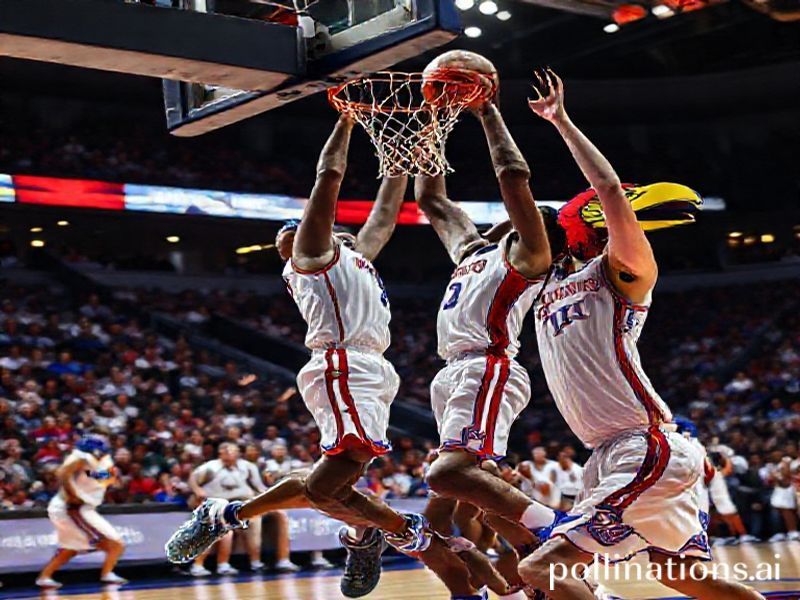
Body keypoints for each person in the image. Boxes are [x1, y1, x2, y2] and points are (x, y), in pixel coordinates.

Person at [166, 115, 474, 599]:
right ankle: (392, 528)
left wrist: (403, 151)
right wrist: (348, 122)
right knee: (331, 480)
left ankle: (348, 531)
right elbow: (327, 177)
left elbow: (386, 213)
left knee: (329, 483)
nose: (298, 232)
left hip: (375, 370)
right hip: (340, 364)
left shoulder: (358, 257)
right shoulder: (312, 257)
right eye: (288, 235)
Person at [517, 68, 762, 600]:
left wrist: (559, 121)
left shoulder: (623, 269)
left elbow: (607, 189)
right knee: (681, 576)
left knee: (543, 571)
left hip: (642, 444)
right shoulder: (542, 279)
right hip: (607, 450)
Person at [414, 87, 570, 545]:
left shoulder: (530, 257)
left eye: (526, 217)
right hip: (453, 372)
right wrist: (433, 121)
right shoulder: (473, 251)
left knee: (444, 475)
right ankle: (526, 579)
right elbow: (432, 200)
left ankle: (559, 529)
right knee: (458, 506)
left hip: (489, 366)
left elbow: (513, 178)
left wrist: (487, 111)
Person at [187, 442, 298, 576]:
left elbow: (259, 488)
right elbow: (192, 478)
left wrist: (272, 499)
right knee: (224, 528)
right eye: (227, 451)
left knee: (279, 514)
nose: (230, 454)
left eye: (233, 451)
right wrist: (197, 490)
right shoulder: (210, 467)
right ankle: (214, 564)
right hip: (219, 503)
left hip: (243, 503)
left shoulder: (248, 467)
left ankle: (279, 560)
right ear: (220, 453)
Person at [36, 435, 127, 589]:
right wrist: (72, 495)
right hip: (72, 508)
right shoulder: (80, 457)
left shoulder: (103, 461)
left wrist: (110, 477)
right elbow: (62, 474)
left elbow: (105, 479)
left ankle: (45, 577)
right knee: (116, 543)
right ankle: (106, 574)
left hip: (82, 507)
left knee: (71, 548)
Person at [552, 447, 583, 512]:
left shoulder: (577, 469)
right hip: (561, 497)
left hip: (574, 498)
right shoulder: (556, 468)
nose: (560, 460)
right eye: (559, 457)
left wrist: (569, 470)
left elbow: (577, 484)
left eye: (563, 457)